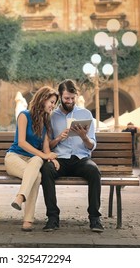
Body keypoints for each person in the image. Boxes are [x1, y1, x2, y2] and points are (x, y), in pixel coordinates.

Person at [41, 79, 104, 232]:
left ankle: (95, 218)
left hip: (80, 160)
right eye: (66, 98)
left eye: (72, 98)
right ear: (60, 97)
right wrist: (58, 138)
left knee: (94, 171)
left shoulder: (85, 114)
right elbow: (47, 146)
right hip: (60, 160)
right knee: (46, 170)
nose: (70, 101)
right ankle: (53, 218)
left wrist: (84, 137)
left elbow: (91, 146)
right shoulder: (52, 116)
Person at [4, 86, 59, 232]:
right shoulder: (24, 115)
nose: (53, 106)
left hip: (31, 161)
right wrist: (44, 155)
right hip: (14, 158)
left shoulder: (46, 123)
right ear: (42, 99)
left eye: (54, 103)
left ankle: (20, 198)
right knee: (37, 173)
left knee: (37, 164)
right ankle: (28, 219)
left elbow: (46, 150)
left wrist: (51, 158)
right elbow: (21, 142)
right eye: (51, 102)